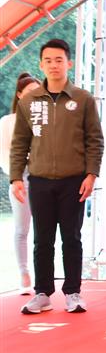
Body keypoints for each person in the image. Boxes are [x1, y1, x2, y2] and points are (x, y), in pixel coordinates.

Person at [11, 39, 104, 314]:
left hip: (73, 180)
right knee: (42, 240)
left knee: (71, 238)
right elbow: (20, 142)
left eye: (59, 60)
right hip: (39, 180)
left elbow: (94, 140)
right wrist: (16, 177)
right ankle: (42, 293)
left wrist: (91, 174)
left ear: (69, 63)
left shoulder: (83, 99)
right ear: (41, 64)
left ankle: (73, 292)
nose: (54, 65)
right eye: (48, 60)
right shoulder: (29, 101)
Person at [1, 73, 42, 294]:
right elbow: (4, 153)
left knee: (44, 230)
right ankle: (24, 273)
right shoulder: (8, 122)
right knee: (21, 228)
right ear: (19, 95)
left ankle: (43, 275)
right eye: (29, 92)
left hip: (44, 177)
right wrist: (15, 176)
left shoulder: (45, 119)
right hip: (21, 178)